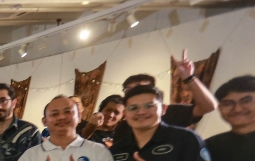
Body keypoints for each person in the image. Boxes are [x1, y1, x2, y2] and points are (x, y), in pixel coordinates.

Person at [86, 51, 217, 142]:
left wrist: (189, 78)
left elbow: (208, 106)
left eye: (141, 88)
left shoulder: (171, 113)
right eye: (129, 90)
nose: (136, 93)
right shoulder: (124, 127)